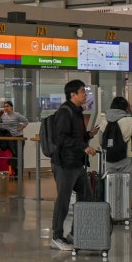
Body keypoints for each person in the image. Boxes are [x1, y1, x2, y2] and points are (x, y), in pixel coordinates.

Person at [49, 80, 97, 251]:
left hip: (77, 163)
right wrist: (84, 146)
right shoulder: (64, 112)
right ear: (73, 95)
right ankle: (56, 237)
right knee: (63, 199)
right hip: (64, 163)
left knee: (87, 197)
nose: (86, 95)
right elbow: (61, 138)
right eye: (83, 92)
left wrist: (89, 135)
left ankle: (75, 233)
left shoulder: (77, 112)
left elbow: (75, 136)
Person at [92, 96, 132, 181]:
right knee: (126, 185)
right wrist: (131, 111)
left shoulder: (104, 122)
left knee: (110, 184)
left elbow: (101, 141)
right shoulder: (129, 121)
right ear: (126, 107)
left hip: (108, 158)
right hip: (126, 158)